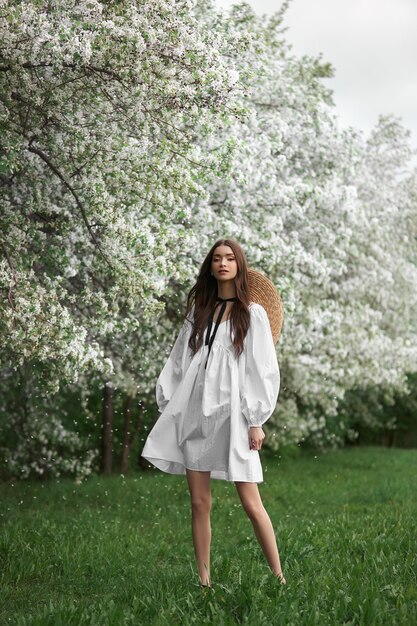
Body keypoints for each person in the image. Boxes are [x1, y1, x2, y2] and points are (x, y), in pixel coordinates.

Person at [141, 238, 286, 587]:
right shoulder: (199, 312)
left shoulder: (252, 314)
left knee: (251, 501)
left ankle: (279, 578)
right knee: (199, 502)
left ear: (239, 265)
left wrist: (256, 421)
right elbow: (179, 361)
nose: (223, 263)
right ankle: (204, 582)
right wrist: (170, 406)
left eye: (230, 258)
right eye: (217, 258)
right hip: (196, 413)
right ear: (210, 266)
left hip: (234, 415)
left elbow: (261, 369)